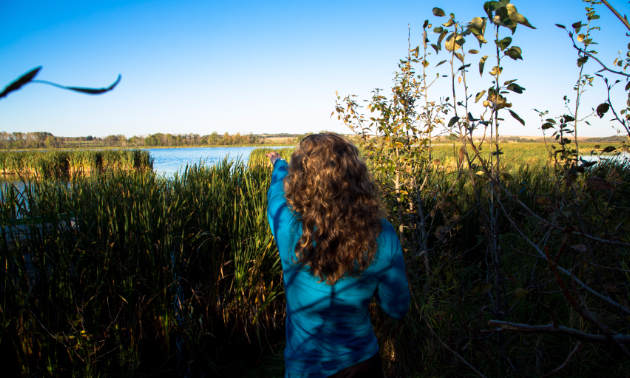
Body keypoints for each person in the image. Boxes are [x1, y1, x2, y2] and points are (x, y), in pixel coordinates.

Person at [266, 133, 410, 378]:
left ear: (299, 180)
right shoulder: (382, 233)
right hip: (363, 363)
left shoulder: (287, 226)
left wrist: (278, 163)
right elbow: (397, 309)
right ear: (356, 177)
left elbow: (277, 193)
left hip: (306, 368)